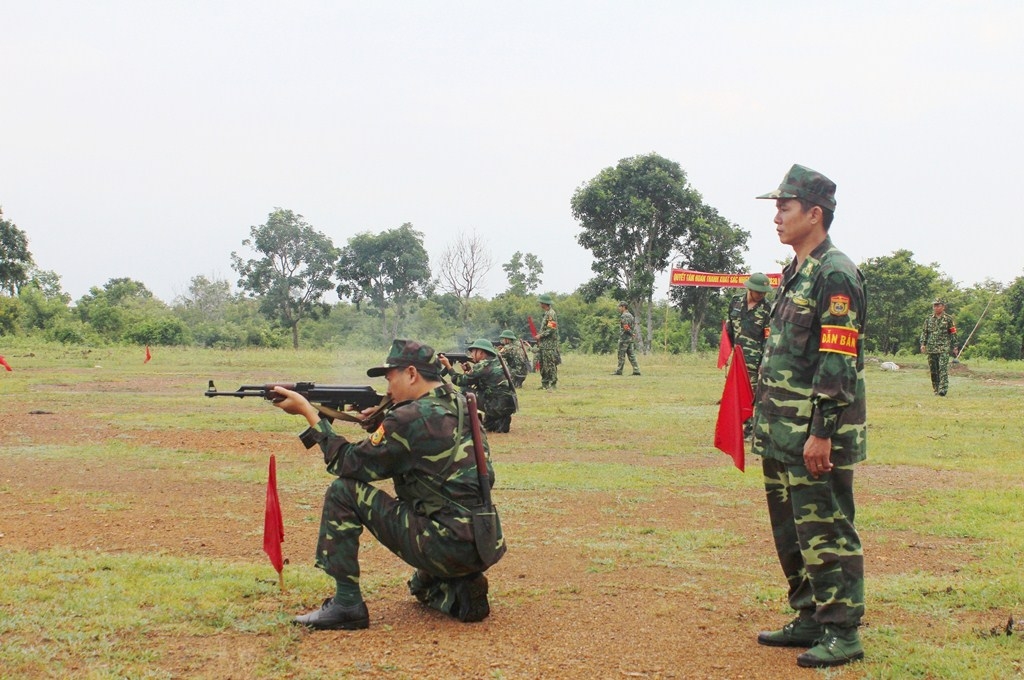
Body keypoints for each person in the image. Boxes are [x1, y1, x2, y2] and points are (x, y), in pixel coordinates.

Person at [271, 339, 505, 630]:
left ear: (411, 374)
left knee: (343, 491)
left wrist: (310, 414)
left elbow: (347, 463)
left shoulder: (407, 419)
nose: (387, 386)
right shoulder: (459, 402)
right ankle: (460, 584)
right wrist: (383, 419)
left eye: (389, 377)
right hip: (482, 540)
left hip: (444, 542)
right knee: (420, 588)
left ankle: (346, 605)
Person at [751, 164, 867, 668]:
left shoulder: (835, 273)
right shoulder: (795, 271)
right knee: (792, 530)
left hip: (814, 437)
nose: (776, 216)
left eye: (785, 207)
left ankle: (842, 631)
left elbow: (837, 361)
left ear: (814, 214)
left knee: (827, 529)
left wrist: (821, 433)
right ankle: (809, 617)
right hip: (781, 432)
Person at [440, 338, 518, 433]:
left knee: (464, 391)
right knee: (488, 425)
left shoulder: (482, 365)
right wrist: (468, 370)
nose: (471, 355)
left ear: (480, 352)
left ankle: (463, 423)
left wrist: (448, 366)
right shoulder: (498, 362)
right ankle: (498, 420)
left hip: (496, 405)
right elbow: (482, 381)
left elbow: (459, 381)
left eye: (473, 352)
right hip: (507, 405)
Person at [726, 273, 773, 421]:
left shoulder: (767, 309)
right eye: (759, 291)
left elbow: (768, 338)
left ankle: (750, 428)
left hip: (755, 360)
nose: (761, 295)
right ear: (750, 289)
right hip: (737, 358)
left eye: (764, 292)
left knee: (751, 395)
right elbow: (729, 329)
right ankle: (737, 426)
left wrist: (764, 362)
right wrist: (727, 351)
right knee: (736, 394)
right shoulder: (735, 302)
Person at [919, 299, 959, 396]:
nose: (936, 307)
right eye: (934, 306)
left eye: (938, 305)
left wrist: (955, 346)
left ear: (943, 307)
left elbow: (953, 332)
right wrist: (923, 344)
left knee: (942, 368)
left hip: (943, 348)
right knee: (933, 370)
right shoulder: (929, 319)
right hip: (931, 348)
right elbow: (925, 332)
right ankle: (936, 389)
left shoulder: (948, 319)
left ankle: (943, 390)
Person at [535, 294, 560, 389]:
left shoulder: (551, 314)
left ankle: (553, 384)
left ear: (544, 303)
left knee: (550, 364)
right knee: (543, 364)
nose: (540, 304)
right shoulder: (547, 313)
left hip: (549, 345)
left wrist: (540, 335)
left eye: (541, 303)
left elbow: (551, 329)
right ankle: (545, 384)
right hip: (544, 344)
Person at [612, 301, 641, 376]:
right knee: (631, 355)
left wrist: (632, 333)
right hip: (630, 339)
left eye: (620, 307)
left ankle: (619, 371)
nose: (619, 308)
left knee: (621, 355)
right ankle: (636, 370)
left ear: (623, 307)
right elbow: (632, 326)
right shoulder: (631, 315)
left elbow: (625, 327)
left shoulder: (624, 316)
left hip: (624, 338)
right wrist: (632, 334)